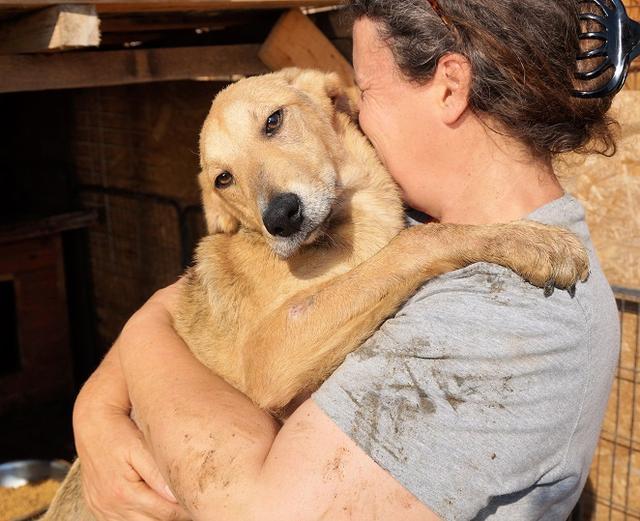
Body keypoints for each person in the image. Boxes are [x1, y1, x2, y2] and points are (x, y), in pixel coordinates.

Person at [72, 1, 621, 519]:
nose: (352, 111)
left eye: (366, 89)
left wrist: (139, 341)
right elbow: (188, 299)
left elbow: (256, 508)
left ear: (450, 88)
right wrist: (95, 407)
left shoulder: (511, 312)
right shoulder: (399, 228)